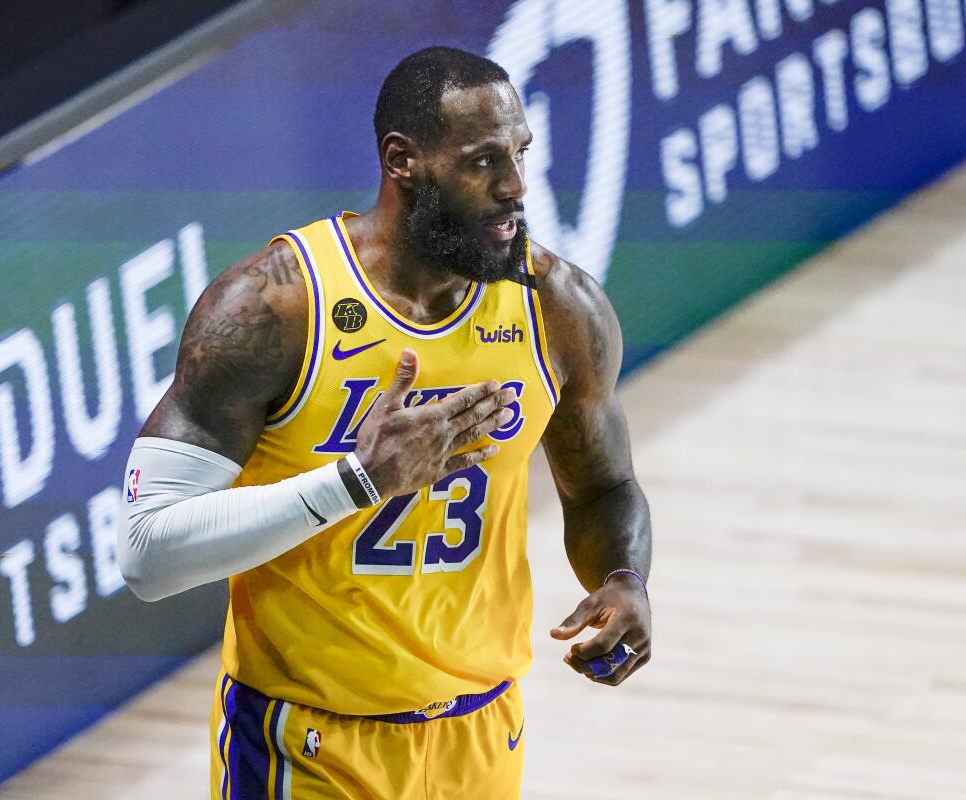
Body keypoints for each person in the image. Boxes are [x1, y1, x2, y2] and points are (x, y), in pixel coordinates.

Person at [119, 46, 652, 800]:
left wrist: (623, 579)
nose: (515, 186)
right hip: (308, 744)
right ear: (403, 160)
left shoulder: (557, 307)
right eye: (482, 161)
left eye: (521, 153)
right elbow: (147, 555)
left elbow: (605, 487)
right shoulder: (273, 307)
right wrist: (356, 480)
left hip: (481, 733)